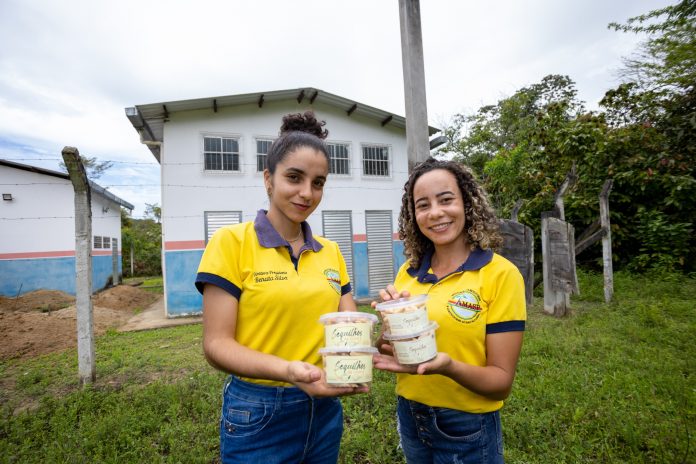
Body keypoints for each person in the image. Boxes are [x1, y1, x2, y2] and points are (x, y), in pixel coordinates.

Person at [195, 111, 364, 464]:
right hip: (258, 412)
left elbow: (351, 331)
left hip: (324, 408)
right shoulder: (231, 242)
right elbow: (216, 345)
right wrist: (290, 371)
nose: (307, 193)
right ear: (268, 179)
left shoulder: (330, 251)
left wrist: (385, 339)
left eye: (318, 182)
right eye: (294, 178)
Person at [373, 157, 526, 463]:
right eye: (423, 205)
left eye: (446, 200)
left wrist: (447, 366)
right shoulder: (409, 272)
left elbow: (500, 383)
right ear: (413, 215)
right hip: (410, 412)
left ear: (467, 204)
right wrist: (387, 332)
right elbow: (393, 348)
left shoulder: (500, 275)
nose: (436, 213)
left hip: (466, 424)